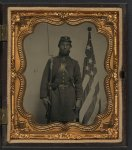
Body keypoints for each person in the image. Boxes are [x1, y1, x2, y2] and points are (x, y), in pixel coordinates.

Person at [40, 36, 83, 123]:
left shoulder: (74, 63)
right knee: (54, 123)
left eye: (67, 45)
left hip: (70, 97)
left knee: (69, 123)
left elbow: (78, 83)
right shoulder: (51, 61)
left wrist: (78, 99)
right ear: (59, 46)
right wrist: (44, 96)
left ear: (70, 47)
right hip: (55, 96)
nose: (65, 46)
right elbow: (45, 79)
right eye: (63, 44)